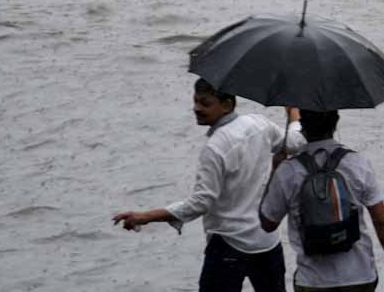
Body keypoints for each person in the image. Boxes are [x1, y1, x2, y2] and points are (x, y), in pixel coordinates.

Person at [110, 79, 300, 292]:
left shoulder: (216, 147)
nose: (196, 109)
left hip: (228, 243)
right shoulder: (259, 124)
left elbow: (201, 202)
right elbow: (296, 142)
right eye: (195, 101)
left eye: (205, 103)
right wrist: (293, 113)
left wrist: (146, 216)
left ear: (227, 105)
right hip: (266, 242)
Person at [258, 109, 384, 292]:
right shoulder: (357, 163)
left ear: (302, 126)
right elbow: (382, 220)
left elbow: (268, 223)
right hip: (359, 277)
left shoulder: (288, 171)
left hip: (313, 281)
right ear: (336, 122)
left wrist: (275, 168)